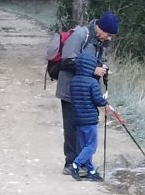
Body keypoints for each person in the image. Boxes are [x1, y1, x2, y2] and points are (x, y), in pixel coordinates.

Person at [56, 11, 119, 175]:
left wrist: (103, 68)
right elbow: (66, 60)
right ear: (101, 28)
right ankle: (70, 164)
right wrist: (94, 69)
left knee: (84, 127)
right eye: (109, 34)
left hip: (86, 91)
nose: (110, 38)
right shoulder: (81, 34)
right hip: (70, 89)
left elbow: (98, 61)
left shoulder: (101, 41)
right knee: (72, 128)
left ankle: (82, 163)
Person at [69, 52, 108, 181]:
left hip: (77, 119)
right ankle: (76, 164)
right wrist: (104, 101)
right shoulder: (92, 82)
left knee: (85, 146)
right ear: (90, 66)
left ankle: (91, 171)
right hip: (90, 120)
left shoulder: (73, 81)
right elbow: (97, 100)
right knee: (91, 146)